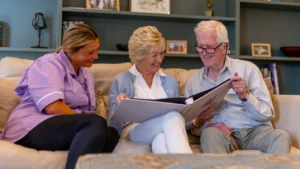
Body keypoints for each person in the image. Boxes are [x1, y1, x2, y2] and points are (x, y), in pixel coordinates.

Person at [0, 24, 120, 169]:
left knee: (111, 134)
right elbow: (52, 107)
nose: (96, 56)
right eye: (90, 52)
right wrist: (87, 124)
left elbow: (88, 114)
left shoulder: (86, 74)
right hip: (31, 126)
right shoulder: (49, 63)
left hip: (61, 128)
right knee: (95, 122)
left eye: (97, 49)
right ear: (71, 50)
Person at [186, 20, 291, 154]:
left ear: (225, 46)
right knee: (210, 134)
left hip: (255, 131)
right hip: (222, 135)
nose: (204, 52)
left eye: (210, 47)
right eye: (200, 47)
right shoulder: (194, 82)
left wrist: (244, 95)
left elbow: (267, 113)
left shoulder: (248, 69)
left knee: (281, 136)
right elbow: (187, 125)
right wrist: (202, 122)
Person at [108, 26, 192, 154]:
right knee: (173, 116)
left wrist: (195, 122)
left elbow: (177, 126)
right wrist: (121, 108)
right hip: (133, 131)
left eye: (162, 53)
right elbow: (113, 126)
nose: (159, 59)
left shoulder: (170, 81)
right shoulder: (121, 80)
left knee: (160, 139)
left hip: (161, 129)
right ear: (138, 57)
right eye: (154, 55)